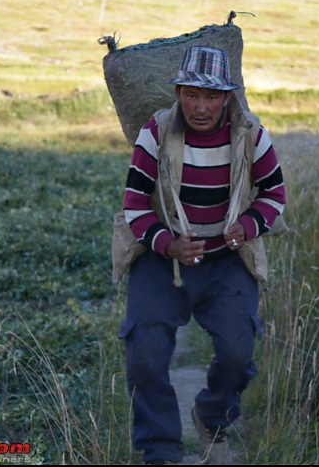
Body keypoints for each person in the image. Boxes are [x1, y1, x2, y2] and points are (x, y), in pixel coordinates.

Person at [117, 45, 287, 465]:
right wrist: (168, 243)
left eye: (212, 96)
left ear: (228, 98)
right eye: (192, 94)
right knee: (146, 357)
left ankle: (212, 417)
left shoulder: (251, 135)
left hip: (227, 261)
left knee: (237, 353)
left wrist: (246, 227)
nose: (201, 106)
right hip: (162, 260)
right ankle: (160, 452)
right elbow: (135, 203)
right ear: (178, 93)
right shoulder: (155, 133)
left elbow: (274, 194)